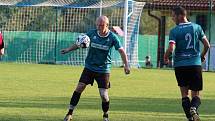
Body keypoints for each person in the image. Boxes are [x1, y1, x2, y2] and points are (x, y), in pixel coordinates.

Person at [61, 16, 130, 121]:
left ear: (107, 25)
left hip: (103, 70)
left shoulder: (112, 37)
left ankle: (105, 115)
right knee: (79, 87)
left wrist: (126, 65)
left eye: (101, 25)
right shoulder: (91, 33)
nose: (99, 27)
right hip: (89, 67)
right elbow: (78, 44)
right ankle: (69, 113)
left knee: (104, 95)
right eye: (98, 25)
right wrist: (68, 49)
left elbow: (121, 51)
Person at [164, 6, 210, 121]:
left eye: (174, 15)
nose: (172, 18)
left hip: (180, 66)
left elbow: (171, 48)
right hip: (195, 64)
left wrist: (166, 56)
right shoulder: (197, 27)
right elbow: (207, 45)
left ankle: (190, 118)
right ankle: (194, 109)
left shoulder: (174, 31)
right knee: (196, 95)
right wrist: (202, 55)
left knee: (184, 95)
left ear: (180, 15)